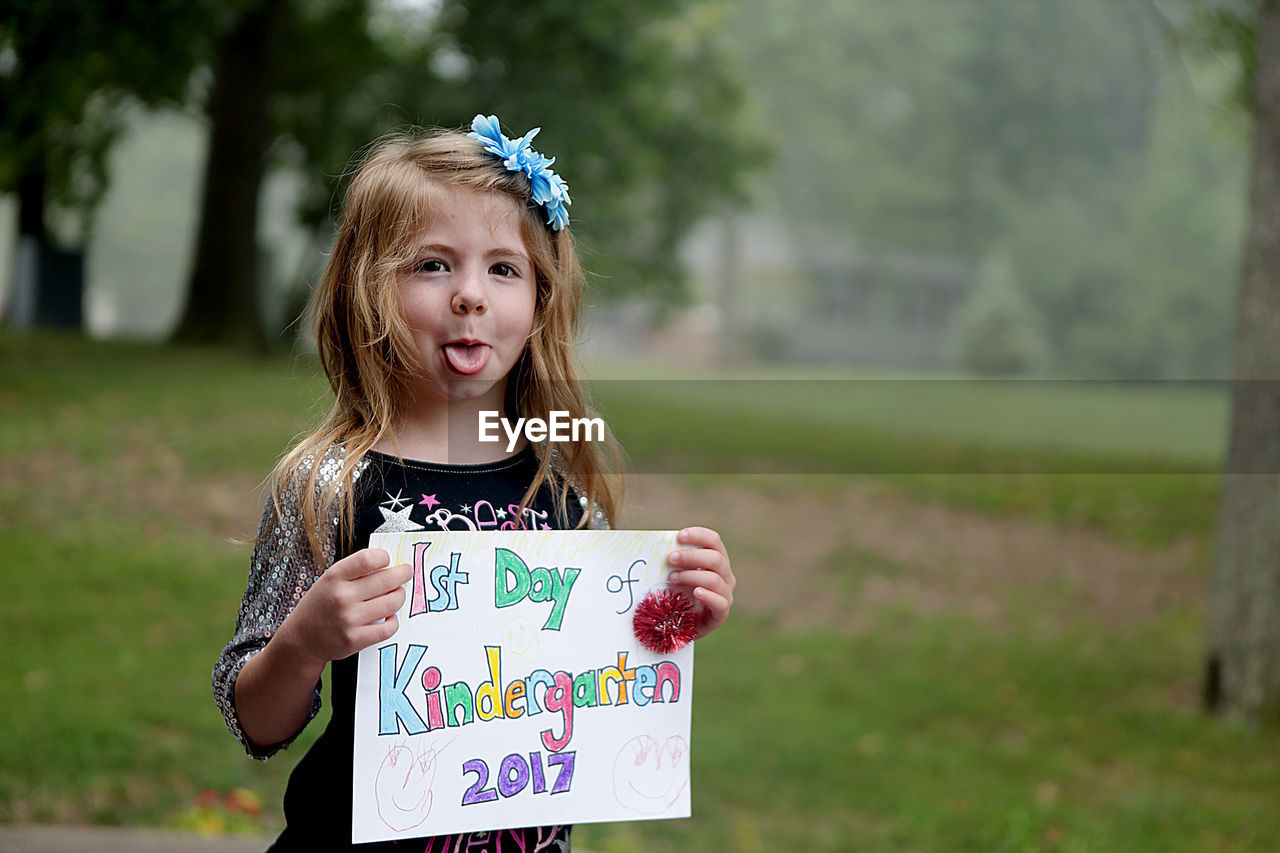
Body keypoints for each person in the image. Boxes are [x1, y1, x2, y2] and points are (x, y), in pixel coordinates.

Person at [212, 115, 737, 852]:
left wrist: (673, 618)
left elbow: (594, 678)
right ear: (368, 289)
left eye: (503, 268)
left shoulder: (560, 484)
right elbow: (258, 723)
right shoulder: (327, 482)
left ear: (541, 301)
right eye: (432, 264)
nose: (470, 295)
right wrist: (303, 642)